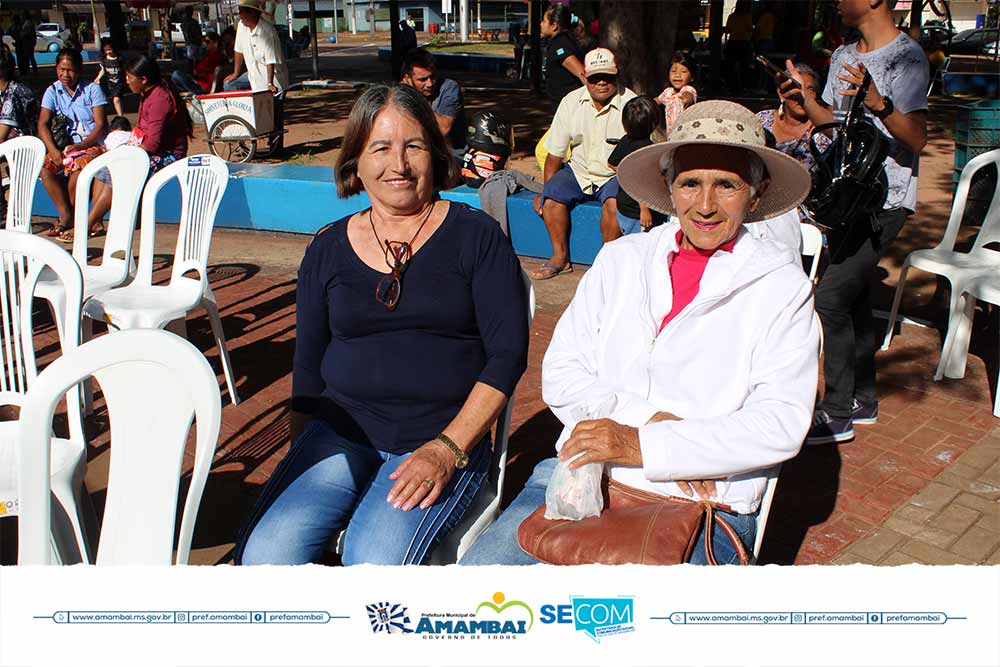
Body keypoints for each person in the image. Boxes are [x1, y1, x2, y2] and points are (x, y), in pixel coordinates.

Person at [460, 100, 819, 566]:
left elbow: (780, 423)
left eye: (726, 185)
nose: (705, 205)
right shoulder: (622, 260)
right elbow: (563, 374)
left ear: (755, 193)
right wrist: (644, 424)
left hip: (703, 501)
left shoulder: (779, 286)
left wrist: (640, 445)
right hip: (584, 472)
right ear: (669, 188)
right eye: (690, 183)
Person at [236, 84, 529, 565]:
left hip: (441, 436)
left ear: (435, 155)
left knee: (372, 562)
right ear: (355, 161)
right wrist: (298, 460)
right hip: (338, 435)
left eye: (413, 146)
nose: (399, 164)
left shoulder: (476, 237)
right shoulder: (327, 247)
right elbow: (307, 363)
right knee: (266, 557)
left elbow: (507, 355)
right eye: (380, 148)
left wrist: (447, 449)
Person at [776, 0, 928, 444]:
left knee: (829, 298)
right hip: (846, 199)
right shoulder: (844, 54)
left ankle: (837, 410)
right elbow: (835, 124)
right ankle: (863, 400)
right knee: (856, 301)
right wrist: (803, 97)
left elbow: (917, 138)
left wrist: (880, 104)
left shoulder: (907, 57)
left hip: (884, 202)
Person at [531, 47, 636, 280]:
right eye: (594, 78)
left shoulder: (631, 103)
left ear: (617, 74)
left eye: (607, 77)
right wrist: (546, 190)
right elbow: (555, 154)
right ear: (584, 77)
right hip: (578, 171)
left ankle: (606, 263)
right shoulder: (570, 102)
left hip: (614, 175)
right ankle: (560, 257)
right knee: (552, 197)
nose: (601, 83)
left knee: (613, 202)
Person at [79, 54, 192, 243]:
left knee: (119, 170)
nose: (126, 80)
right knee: (104, 166)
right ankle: (95, 220)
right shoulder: (146, 95)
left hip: (168, 155)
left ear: (144, 79)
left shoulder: (159, 99)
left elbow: (153, 144)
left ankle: (86, 225)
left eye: (129, 77)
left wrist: (125, 154)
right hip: (146, 149)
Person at [37, 48, 107, 240]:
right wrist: (53, 150)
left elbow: (100, 125)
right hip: (66, 146)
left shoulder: (92, 90)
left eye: (70, 70)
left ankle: (78, 219)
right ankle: (65, 214)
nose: (65, 75)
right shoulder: (52, 91)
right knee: (45, 168)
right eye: (61, 69)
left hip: (92, 144)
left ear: (79, 70)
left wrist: (81, 146)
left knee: (77, 170)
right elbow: (42, 123)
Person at [606, 96, 663, 237]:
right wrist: (644, 208)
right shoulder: (647, 151)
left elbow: (611, 162)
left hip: (623, 206)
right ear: (654, 124)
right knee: (639, 246)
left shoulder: (626, 140)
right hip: (639, 213)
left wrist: (625, 174)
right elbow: (643, 181)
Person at [400, 48, 467, 160]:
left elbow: (443, 128)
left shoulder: (449, 88)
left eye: (433, 76)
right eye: (423, 79)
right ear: (408, 79)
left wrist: (413, 97)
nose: (430, 83)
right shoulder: (400, 93)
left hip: (451, 156)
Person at [224, 0, 289, 93]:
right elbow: (239, 50)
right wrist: (236, 73)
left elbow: (270, 61)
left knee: (271, 104)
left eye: (241, 11)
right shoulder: (241, 26)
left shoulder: (268, 32)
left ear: (251, 13)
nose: (239, 15)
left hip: (273, 79)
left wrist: (270, 83)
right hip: (253, 76)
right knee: (229, 85)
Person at [540, 4, 585, 113]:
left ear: (554, 26)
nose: (541, 24)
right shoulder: (557, 43)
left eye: (544, 21)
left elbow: (582, 74)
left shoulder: (561, 45)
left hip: (569, 108)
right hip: (560, 106)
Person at [656, 51, 697, 135]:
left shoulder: (688, 89)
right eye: (673, 71)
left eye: (683, 71)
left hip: (686, 134)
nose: (677, 75)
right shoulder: (668, 92)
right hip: (671, 134)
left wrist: (684, 100)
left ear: (692, 77)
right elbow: (656, 101)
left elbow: (688, 96)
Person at [723, 0, 754, 94]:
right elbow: (750, 29)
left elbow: (728, 29)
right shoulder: (747, 16)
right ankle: (743, 87)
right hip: (743, 42)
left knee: (730, 66)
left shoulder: (732, 16)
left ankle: (732, 86)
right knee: (744, 66)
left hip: (732, 42)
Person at [94, 38, 125, 117]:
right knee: (112, 99)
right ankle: (118, 113)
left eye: (110, 49)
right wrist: (98, 78)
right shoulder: (104, 60)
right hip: (110, 83)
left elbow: (126, 69)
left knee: (116, 98)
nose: (108, 52)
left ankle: (120, 116)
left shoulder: (120, 58)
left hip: (119, 82)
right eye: (106, 50)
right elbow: (103, 70)